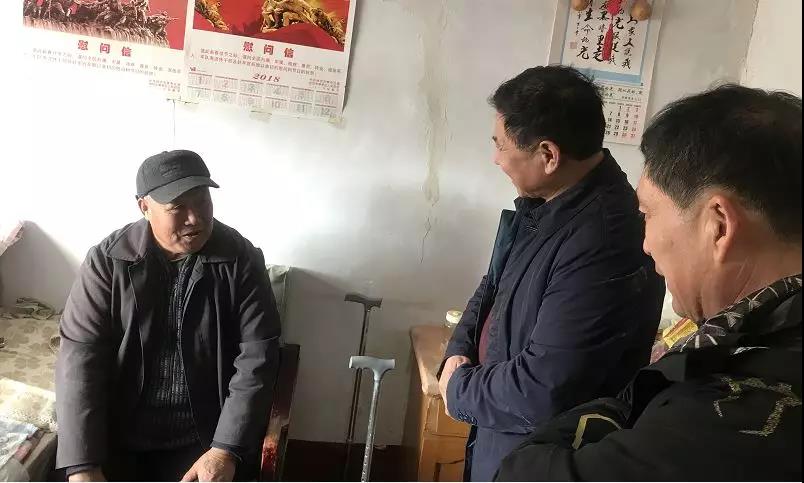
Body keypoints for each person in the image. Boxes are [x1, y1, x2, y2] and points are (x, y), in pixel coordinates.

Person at [496, 84, 802, 481]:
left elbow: (525, 468)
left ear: (719, 226)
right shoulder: (744, 340)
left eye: (648, 214)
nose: (646, 243)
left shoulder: (721, 423)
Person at [437, 65, 665, 481]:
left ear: (548, 155)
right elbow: (492, 286)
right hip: (500, 434)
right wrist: (458, 351)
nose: (496, 158)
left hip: (540, 460)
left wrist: (458, 390)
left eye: (500, 145)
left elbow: (543, 388)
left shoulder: (606, 237)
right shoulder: (546, 205)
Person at [56, 150, 281, 482]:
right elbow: (79, 357)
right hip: (119, 439)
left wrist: (225, 449)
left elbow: (258, 354)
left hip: (207, 438)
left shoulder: (241, 259)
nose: (195, 218)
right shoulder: (107, 262)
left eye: (202, 201)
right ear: (144, 207)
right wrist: (83, 465)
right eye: (177, 207)